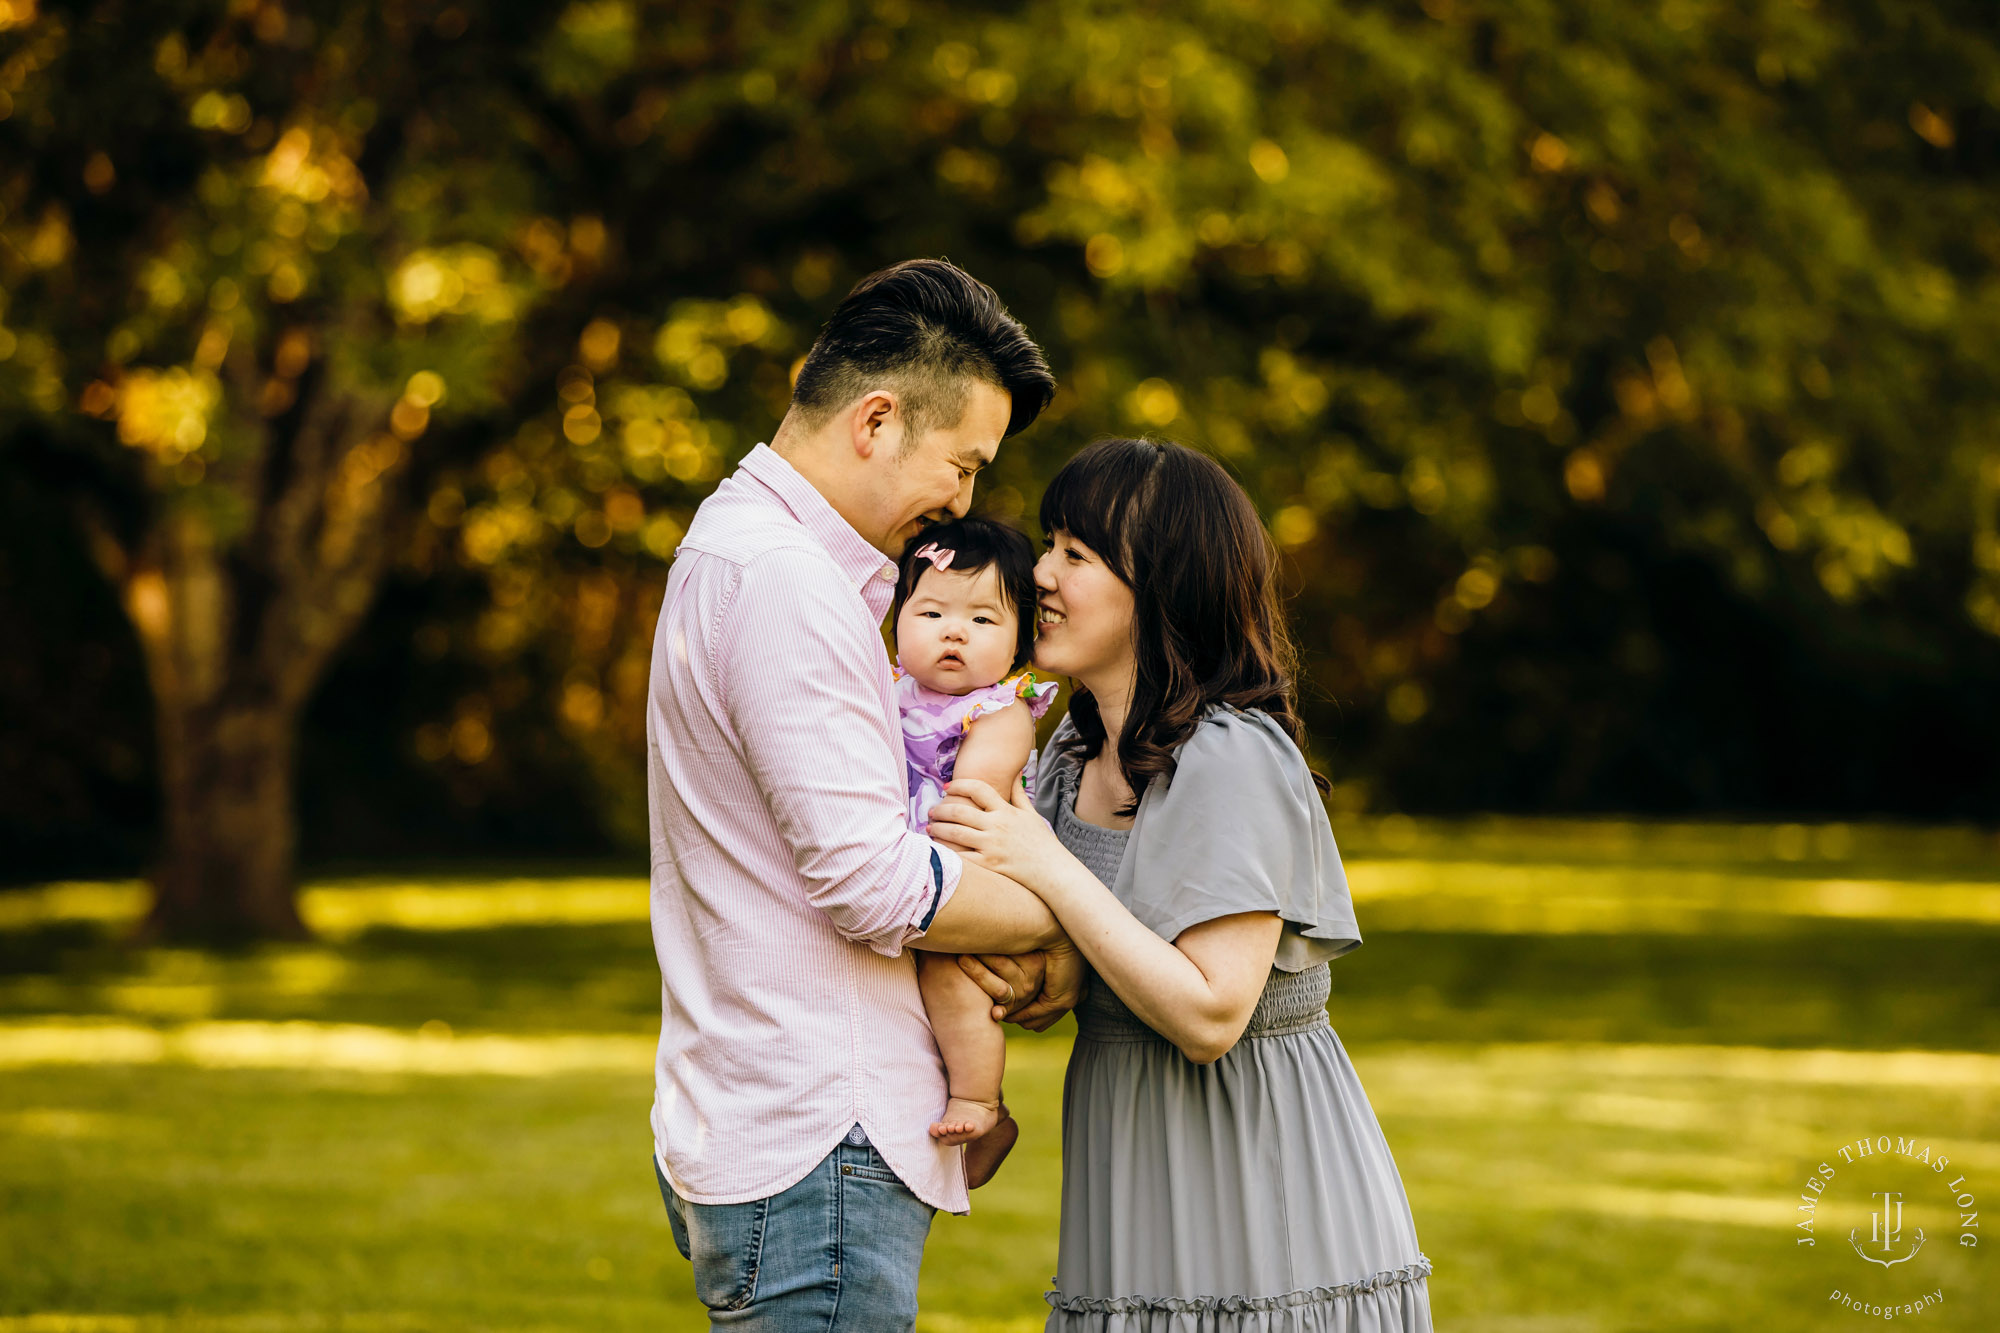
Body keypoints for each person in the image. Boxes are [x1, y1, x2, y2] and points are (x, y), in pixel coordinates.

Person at [645, 259, 1080, 1331]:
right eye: (963, 462)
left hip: (778, 1120)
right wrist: (1078, 916)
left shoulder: (751, 551)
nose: (966, 502)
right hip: (814, 1135)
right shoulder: (784, 580)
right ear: (877, 420)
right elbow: (876, 884)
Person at [931, 437, 1435, 1331]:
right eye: (1049, 543)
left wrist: (1044, 868)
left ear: (1160, 585)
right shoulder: (1070, 756)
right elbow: (1070, 964)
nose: (1039, 573)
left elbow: (1210, 1014)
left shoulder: (1229, 755)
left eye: (1076, 554)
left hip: (1265, 1207)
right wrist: (1038, 971)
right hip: (1129, 1197)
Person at [887, 518, 1059, 1177]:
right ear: (899, 617)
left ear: (1019, 637)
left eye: (984, 619)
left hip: (980, 866)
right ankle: (987, 1112)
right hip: (918, 864)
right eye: (931, 610)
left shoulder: (1001, 708)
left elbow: (974, 794)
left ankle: (981, 1099)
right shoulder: (888, 690)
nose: (954, 630)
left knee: (951, 978)